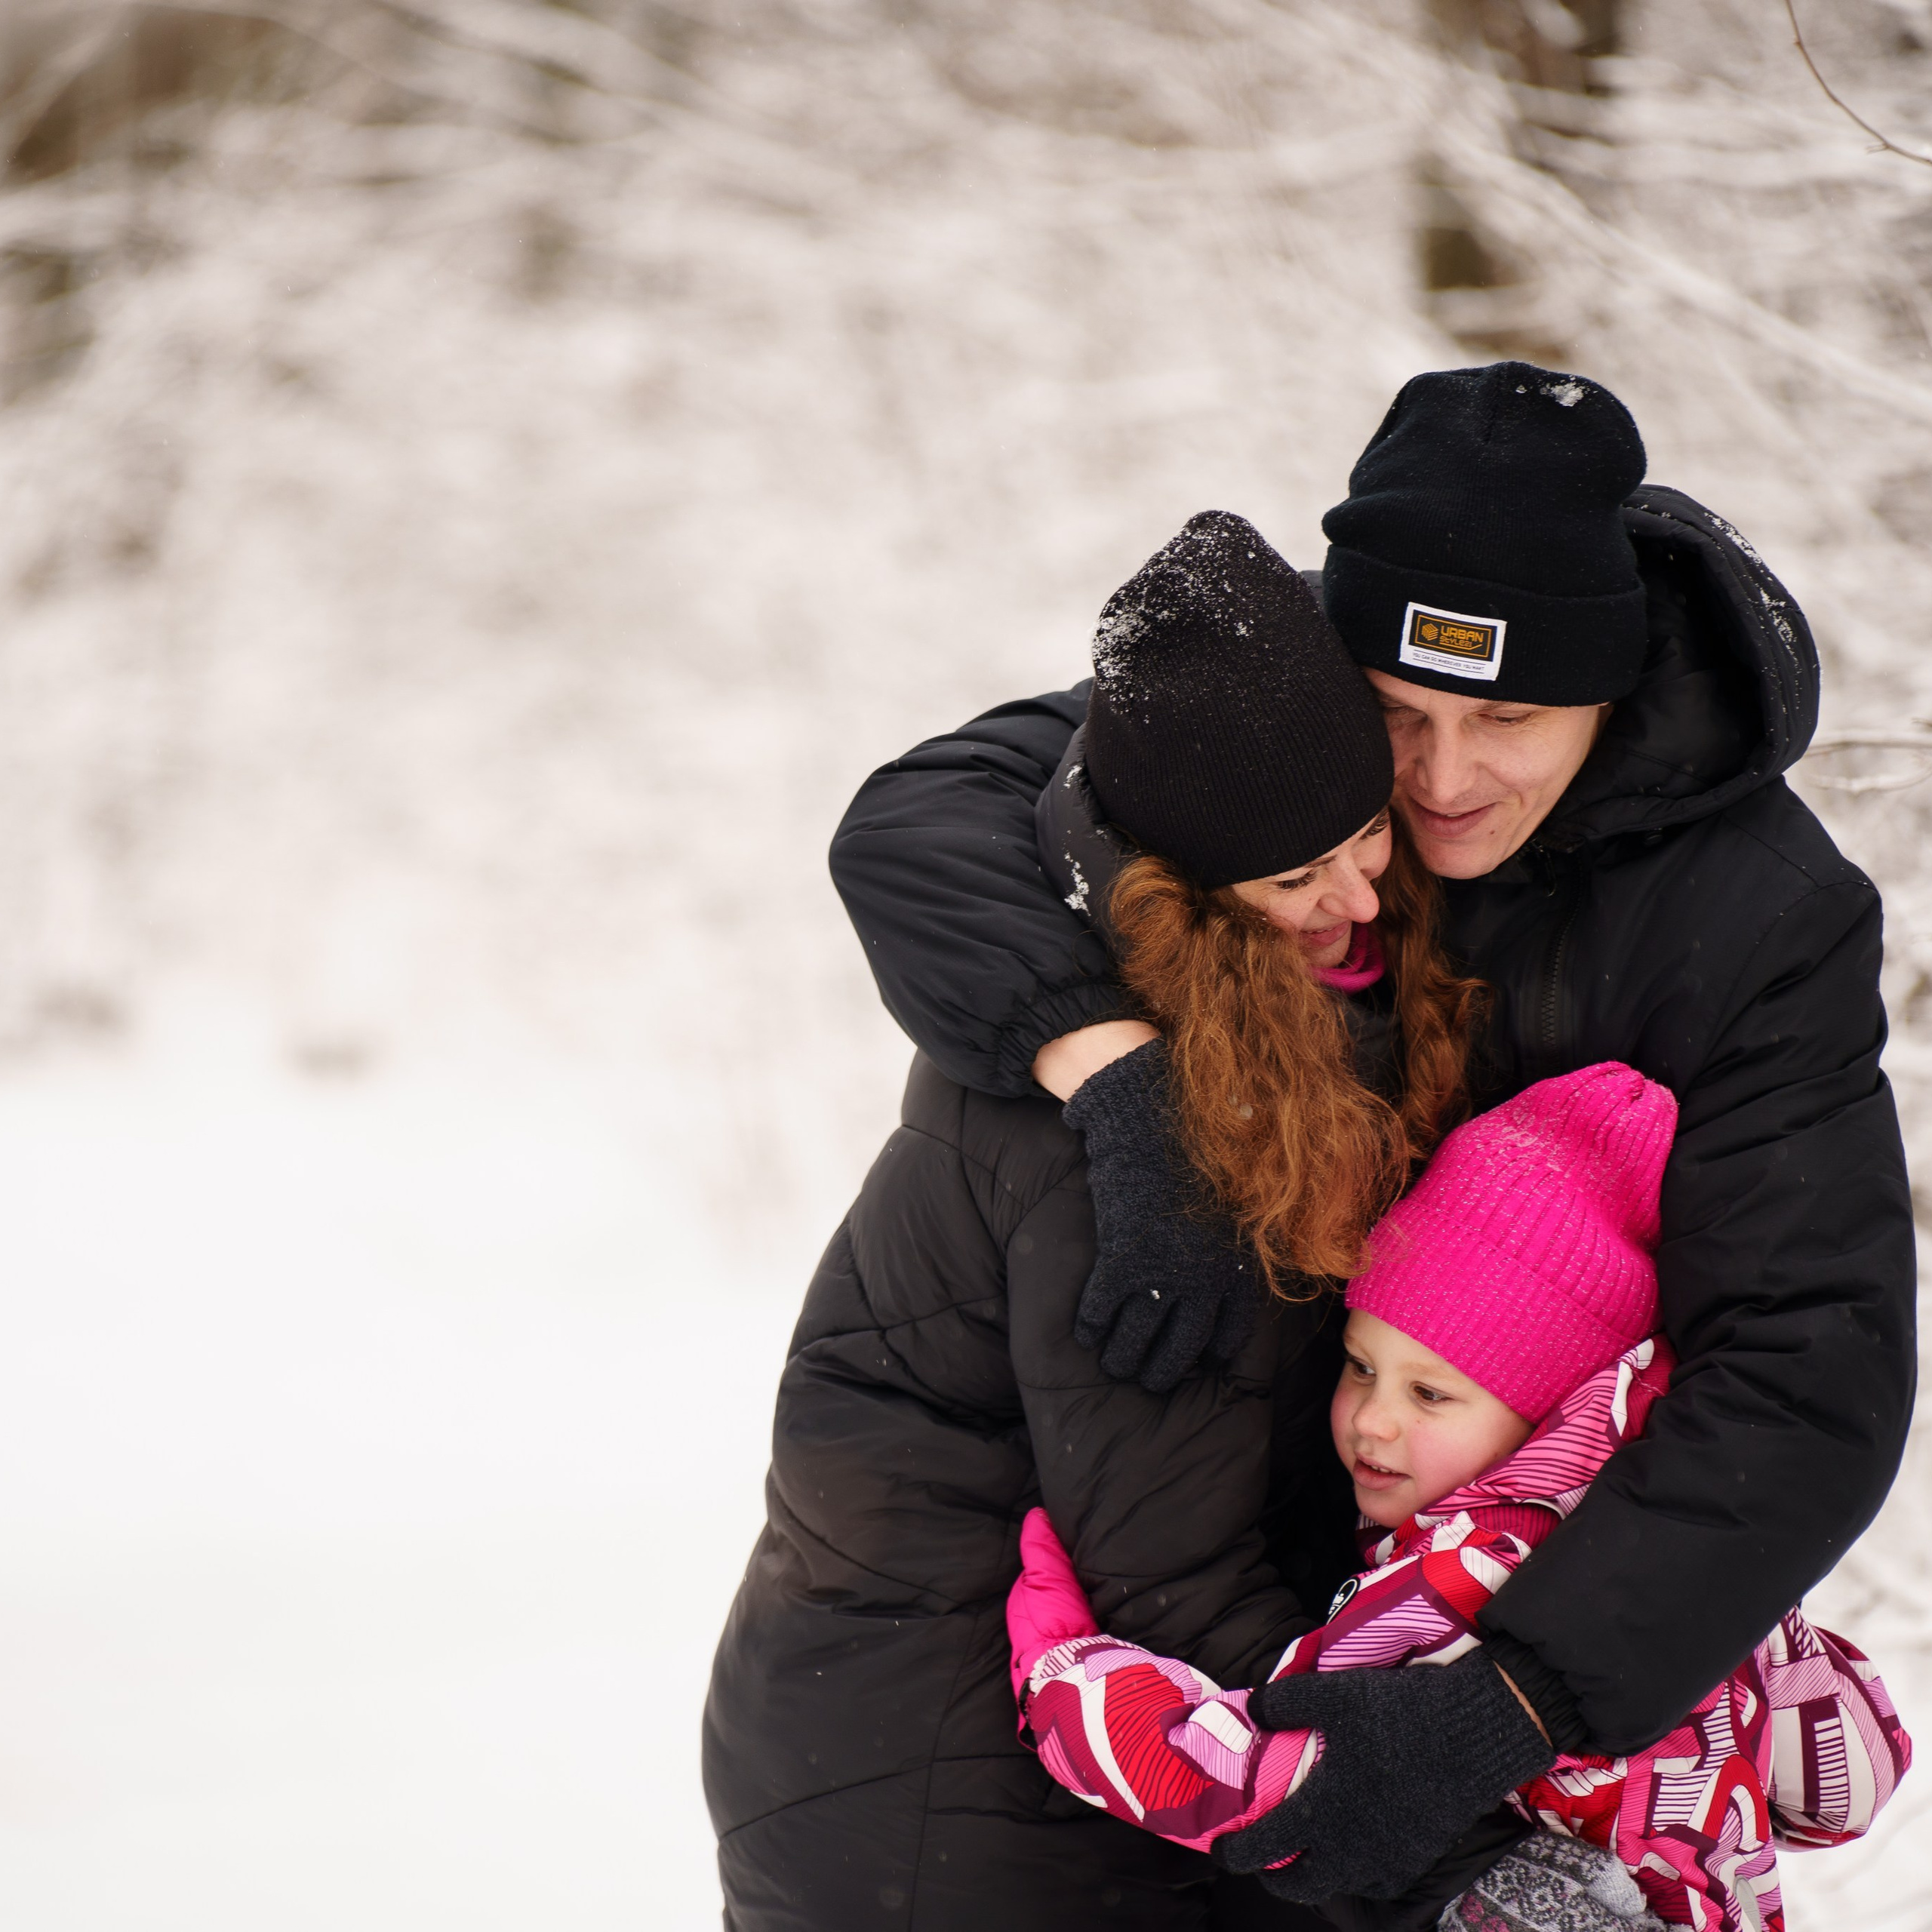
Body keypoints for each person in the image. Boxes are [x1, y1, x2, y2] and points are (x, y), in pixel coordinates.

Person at [826, 362, 1917, 1901]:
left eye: (1508, 718)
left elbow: (1807, 1366)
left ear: (1604, 690)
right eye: (1397, 715)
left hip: (1486, 1627)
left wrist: (1513, 1699)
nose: (1439, 780)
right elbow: (922, 813)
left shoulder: (1753, 919)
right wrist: (1121, 1070)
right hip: (1159, 1614)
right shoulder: (1283, 734)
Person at [703, 514, 1500, 1930]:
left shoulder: (1233, 1003)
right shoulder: (1138, 1143)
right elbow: (1167, 1576)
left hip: (1009, 1747)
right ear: (1190, 898)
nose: (1360, 894)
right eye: (1294, 879)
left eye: (1367, 830)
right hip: (946, 1803)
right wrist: (1460, 1854)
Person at [1004, 1066, 1911, 1932]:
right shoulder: (1689, 1583)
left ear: (1544, 1407)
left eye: (1430, 1394)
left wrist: (1070, 1680)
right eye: (1360, 1368)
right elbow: (1845, 1787)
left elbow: (1275, 1786)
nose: (1374, 1422)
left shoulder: (1454, 1576)